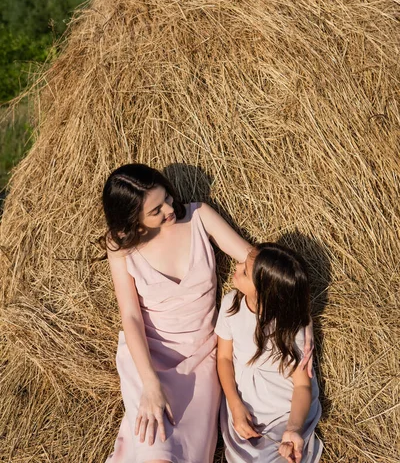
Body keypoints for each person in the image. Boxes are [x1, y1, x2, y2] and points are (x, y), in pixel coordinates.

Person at [102, 164, 314, 463]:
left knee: (175, 453)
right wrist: (150, 385)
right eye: (156, 210)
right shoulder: (120, 246)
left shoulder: (199, 216)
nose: (169, 209)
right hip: (148, 357)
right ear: (133, 222)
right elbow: (131, 317)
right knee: (155, 449)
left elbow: (263, 271)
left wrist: (301, 322)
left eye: (166, 198)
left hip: (203, 357)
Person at [215, 243, 322, 463]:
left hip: (284, 408)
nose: (237, 266)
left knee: (282, 455)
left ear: (265, 293)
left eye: (245, 271)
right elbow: (224, 358)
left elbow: (302, 385)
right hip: (244, 401)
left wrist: (292, 428)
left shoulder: (291, 331)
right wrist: (235, 404)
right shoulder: (231, 305)